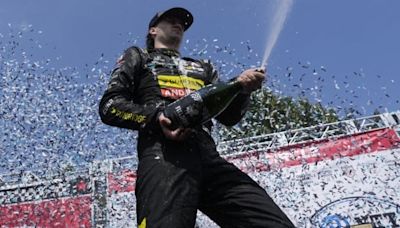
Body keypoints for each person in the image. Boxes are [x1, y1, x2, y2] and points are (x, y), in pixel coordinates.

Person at [99, 7, 295, 228]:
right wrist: (157, 118)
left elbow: (229, 118)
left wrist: (242, 90)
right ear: (153, 30)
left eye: (182, 24)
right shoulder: (139, 56)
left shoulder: (203, 67)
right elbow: (109, 106)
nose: (178, 25)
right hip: (163, 156)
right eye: (171, 20)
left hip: (209, 158)